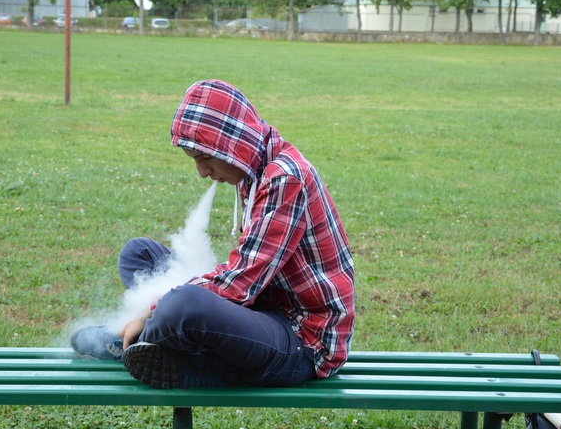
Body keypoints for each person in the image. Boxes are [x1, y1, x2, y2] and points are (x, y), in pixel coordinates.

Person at [71, 80, 355, 389]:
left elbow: (242, 281)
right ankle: (161, 343)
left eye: (204, 158)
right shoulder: (253, 167)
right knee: (138, 254)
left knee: (184, 305)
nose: (201, 172)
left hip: (305, 342)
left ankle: (134, 341)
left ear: (233, 145)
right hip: (266, 307)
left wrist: (151, 310)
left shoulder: (284, 179)